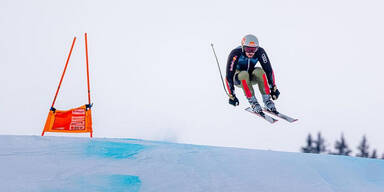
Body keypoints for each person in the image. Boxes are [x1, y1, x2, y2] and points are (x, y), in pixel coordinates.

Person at [225, 34, 280, 113]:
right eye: (248, 49)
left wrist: (273, 88)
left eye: (253, 49)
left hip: (250, 77)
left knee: (260, 71)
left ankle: (267, 101)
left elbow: (268, 70)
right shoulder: (235, 53)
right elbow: (229, 75)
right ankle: (254, 103)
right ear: (243, 47)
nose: (251, 52)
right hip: (238, 79)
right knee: (244, 74)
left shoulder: (260, 52)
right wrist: (232, 95)